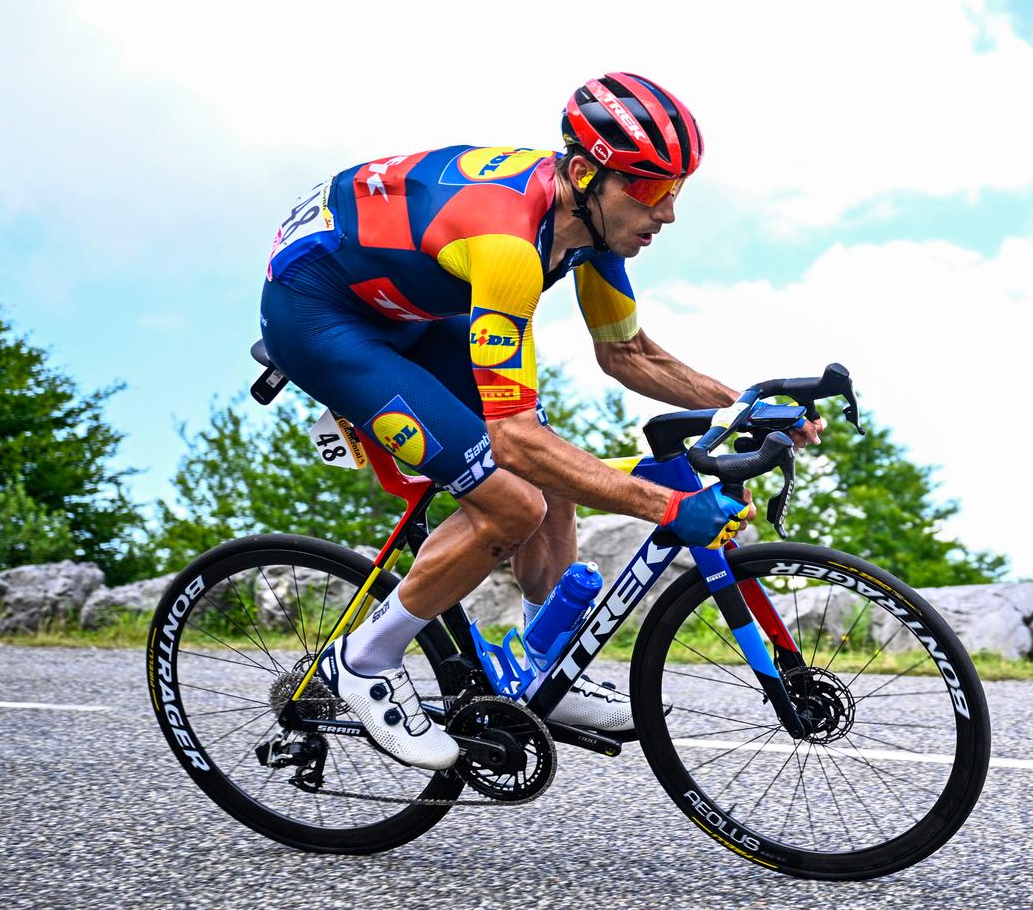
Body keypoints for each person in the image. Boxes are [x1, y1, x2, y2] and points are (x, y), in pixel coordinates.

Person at [257, 72, 823, 769]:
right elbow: (513, 439)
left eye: (677, 190)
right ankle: (366, 660)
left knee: (554, 472)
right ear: (585, 174)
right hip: (319, 315)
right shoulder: (510, 247)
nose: (668, 212)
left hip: (402, 305)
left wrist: (743, 405)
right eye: (649, 190)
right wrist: (668, 505)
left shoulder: (589, 230)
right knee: (513, 499)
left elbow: (628, 354)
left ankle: (544, 668)